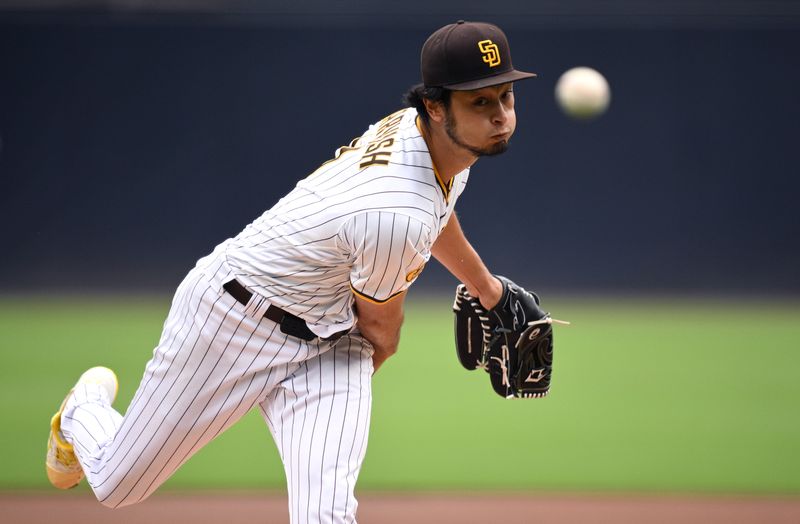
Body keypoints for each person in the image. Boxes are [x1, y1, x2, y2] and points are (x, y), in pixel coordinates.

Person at [45, 20, 537, 523]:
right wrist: (321, 397)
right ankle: (83, 407)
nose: (499, 116)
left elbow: (437, 208)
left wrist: (489, 290)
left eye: (505, 97)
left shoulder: (439, 142)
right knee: (115, 483)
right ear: (435, 106)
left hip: (331, 337)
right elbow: (382, 331)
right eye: (480, 101)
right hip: (232, 317)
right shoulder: (394, 213)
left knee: (326, 516)